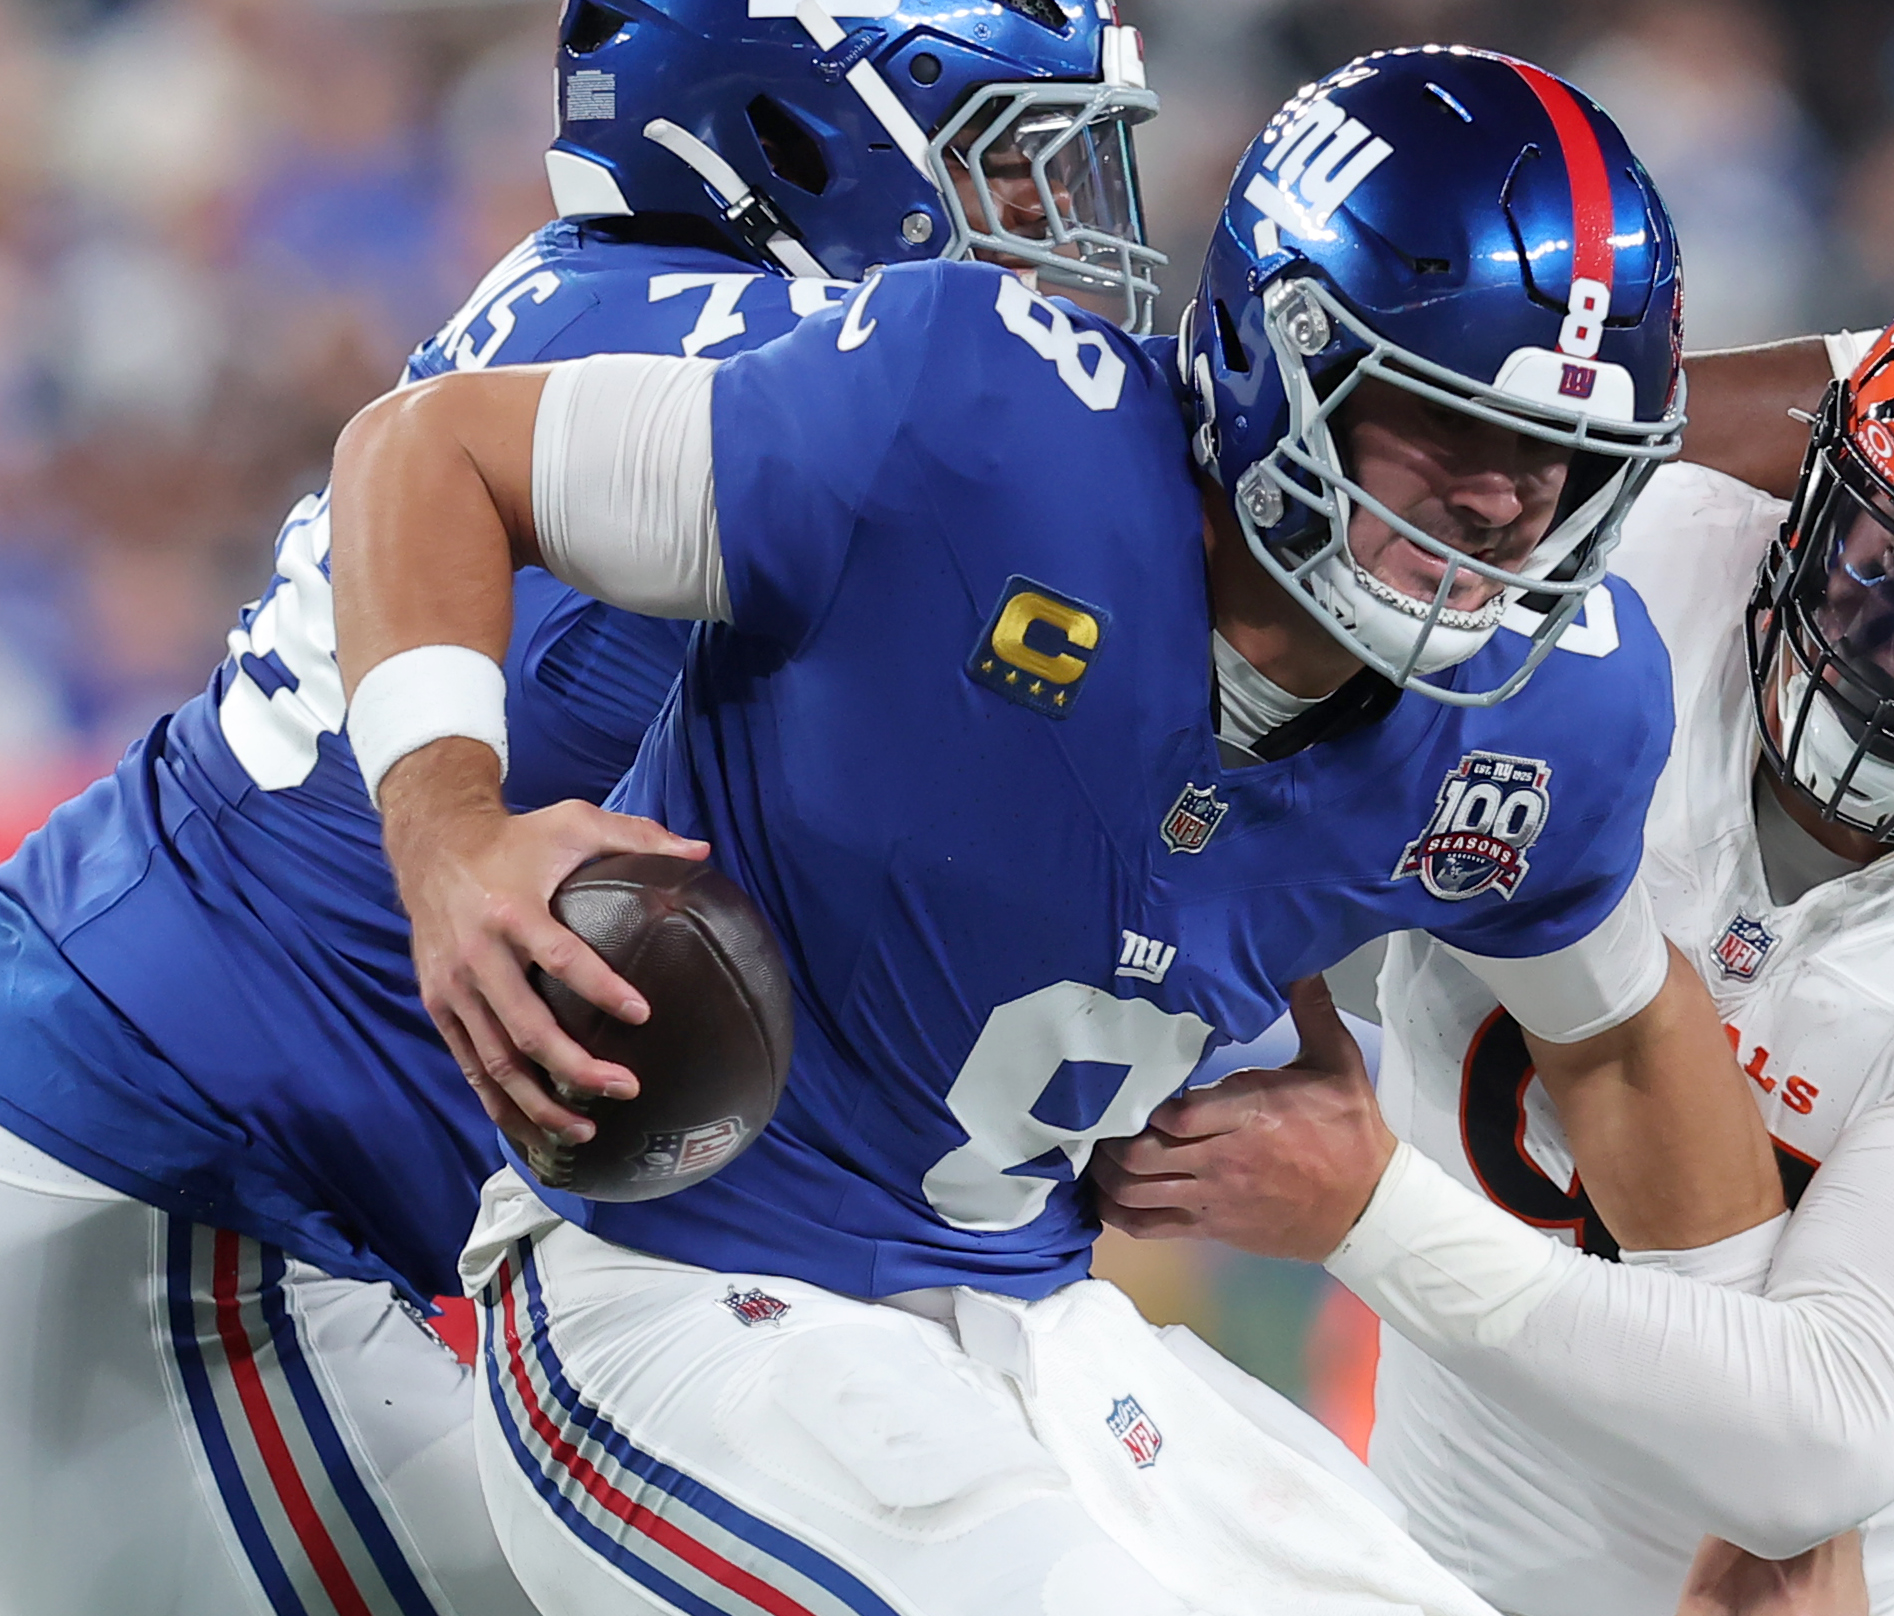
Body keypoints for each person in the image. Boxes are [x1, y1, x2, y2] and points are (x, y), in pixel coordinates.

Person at [328, 47, 1811, 1615]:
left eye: (1561, 464)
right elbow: (433, 451)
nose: (1508, 511)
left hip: (1034, 1329)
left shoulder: (1556, 713)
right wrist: (443, 830)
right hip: (683, 1294)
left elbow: (1632, 1046)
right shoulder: (967, 428)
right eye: (1445, 434)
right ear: (1273, 352)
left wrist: (1778, 1502)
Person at [0, 5, 1160, 1611]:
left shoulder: (617, 299)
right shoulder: (775, 371)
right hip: (184, 1174)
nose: (1055, 225)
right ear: (803, 132)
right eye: (1013, 167)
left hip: (191, 1121)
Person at [1092, 232, 1894, 1616]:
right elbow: (1422, 417)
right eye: (1889, 572)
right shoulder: (1639, 569)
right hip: (1436, 1555)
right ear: (1814, 492)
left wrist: (1365, 1209)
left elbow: (1815, 1444)